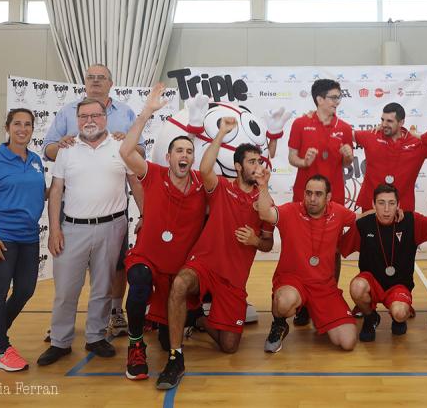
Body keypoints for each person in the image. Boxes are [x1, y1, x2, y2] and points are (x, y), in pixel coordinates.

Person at [155, 120, 274, 390]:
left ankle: (197, 318)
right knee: (180, 283)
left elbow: (267, 244)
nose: (258, 166)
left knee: (229, 346)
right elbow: (206, 168)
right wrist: (221, 132)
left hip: (233, 279)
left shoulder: (263, 199)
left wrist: (255, 240)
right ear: (239, 166)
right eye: (252, 162)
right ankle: (175, 357)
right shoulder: (222, 187)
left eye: (260, 161)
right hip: (205, 265)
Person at [38, 98, 143, 366]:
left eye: (95, 115)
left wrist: (146, 216)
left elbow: (135, 183)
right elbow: (56, 191)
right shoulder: (66, 150)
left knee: (103, 287)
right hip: (73, 228)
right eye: (83, 116)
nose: (89, 121)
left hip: (113, 226)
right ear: (77, 120)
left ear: (105, 117)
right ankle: (60, 341)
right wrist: (54, 230)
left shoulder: (121, 147)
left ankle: (96, 336)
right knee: (66, 290)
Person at [118, 84, 209, 381]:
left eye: (189, 151)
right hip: (148, 260)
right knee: (139, 280)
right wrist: (147, 112)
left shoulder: (202, 184)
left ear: (193, 159)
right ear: (168, 157)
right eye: (178, 151)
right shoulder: (153, 174)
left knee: (168, 341)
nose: (184, 155)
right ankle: (135, 345)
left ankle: (160, 324)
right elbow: (125, 151)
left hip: (177, 272)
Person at [0, 109, 46, 372]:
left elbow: (39, 192)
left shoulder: (35, 160)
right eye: (17, 124)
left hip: (29, 237)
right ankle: (3, 348)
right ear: (7, 128)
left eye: (28, 124)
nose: (22, 129)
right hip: (1, 238)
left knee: (25, 290)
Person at [256, 172, 358, 353]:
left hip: (324, 287)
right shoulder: (290, 211)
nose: (312, 198)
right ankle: (279, 324)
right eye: (308, 193)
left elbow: (362, 219)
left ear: (328, 197)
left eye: (318, 194)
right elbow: (265, 213)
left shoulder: (339, 212)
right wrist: (263, 186)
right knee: (284, 302)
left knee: (347, 342)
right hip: (293, 282)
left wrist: (391, 211)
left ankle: (317, 316)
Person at [342, 184, 427, 341]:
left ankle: (399, 317)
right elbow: (338, 247)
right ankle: (370, 317)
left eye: (391, 203)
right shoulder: (363, 225)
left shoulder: (411, 221)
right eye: (381, 203)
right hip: (371, 283)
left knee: (400, 314)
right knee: (357, 287)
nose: (386, 209)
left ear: (398, 205)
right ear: (373, 205)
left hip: (399, 285)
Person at [287, 78, 354, 325]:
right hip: (304, 197)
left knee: (332, 250)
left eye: (338, 97)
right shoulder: (300, 123)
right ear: (319, 99)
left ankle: (328, 298)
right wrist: (304, 162)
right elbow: (292, 157)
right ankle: (303, 303)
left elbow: (347, 162)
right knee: (302, 250)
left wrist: (348, 157)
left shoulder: (344, 128)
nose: (337, 102)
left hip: (334, 199)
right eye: (333, 97)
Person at [354, 103, 427, 212]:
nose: (384, 124)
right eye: (382, 120)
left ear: (401, 122)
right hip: (371, 207)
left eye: (389, 121)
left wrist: (418, 136)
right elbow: (346, 133)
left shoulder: (417, 144)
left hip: (403, 209)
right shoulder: (372, 135)